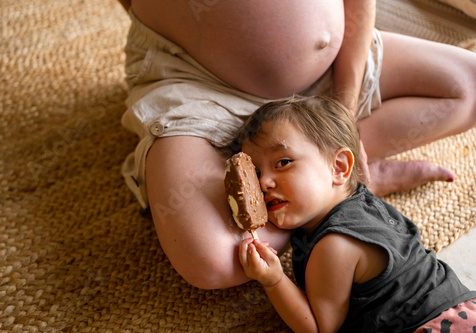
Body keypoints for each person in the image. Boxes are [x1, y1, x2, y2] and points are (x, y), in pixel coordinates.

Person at [116, 0, 476, 289]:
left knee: (469, 87)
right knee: (215, 260)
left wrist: (343, 115)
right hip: (197, 82)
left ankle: (331, 170)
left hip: (327, 75)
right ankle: (318, 182)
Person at [237, 96, 476, 332]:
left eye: (283, 162)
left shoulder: (334, 245)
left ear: (339, 167)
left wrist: (274, 279)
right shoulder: (364, 202)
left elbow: (320, 327)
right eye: (256, 173)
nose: (264, 182)